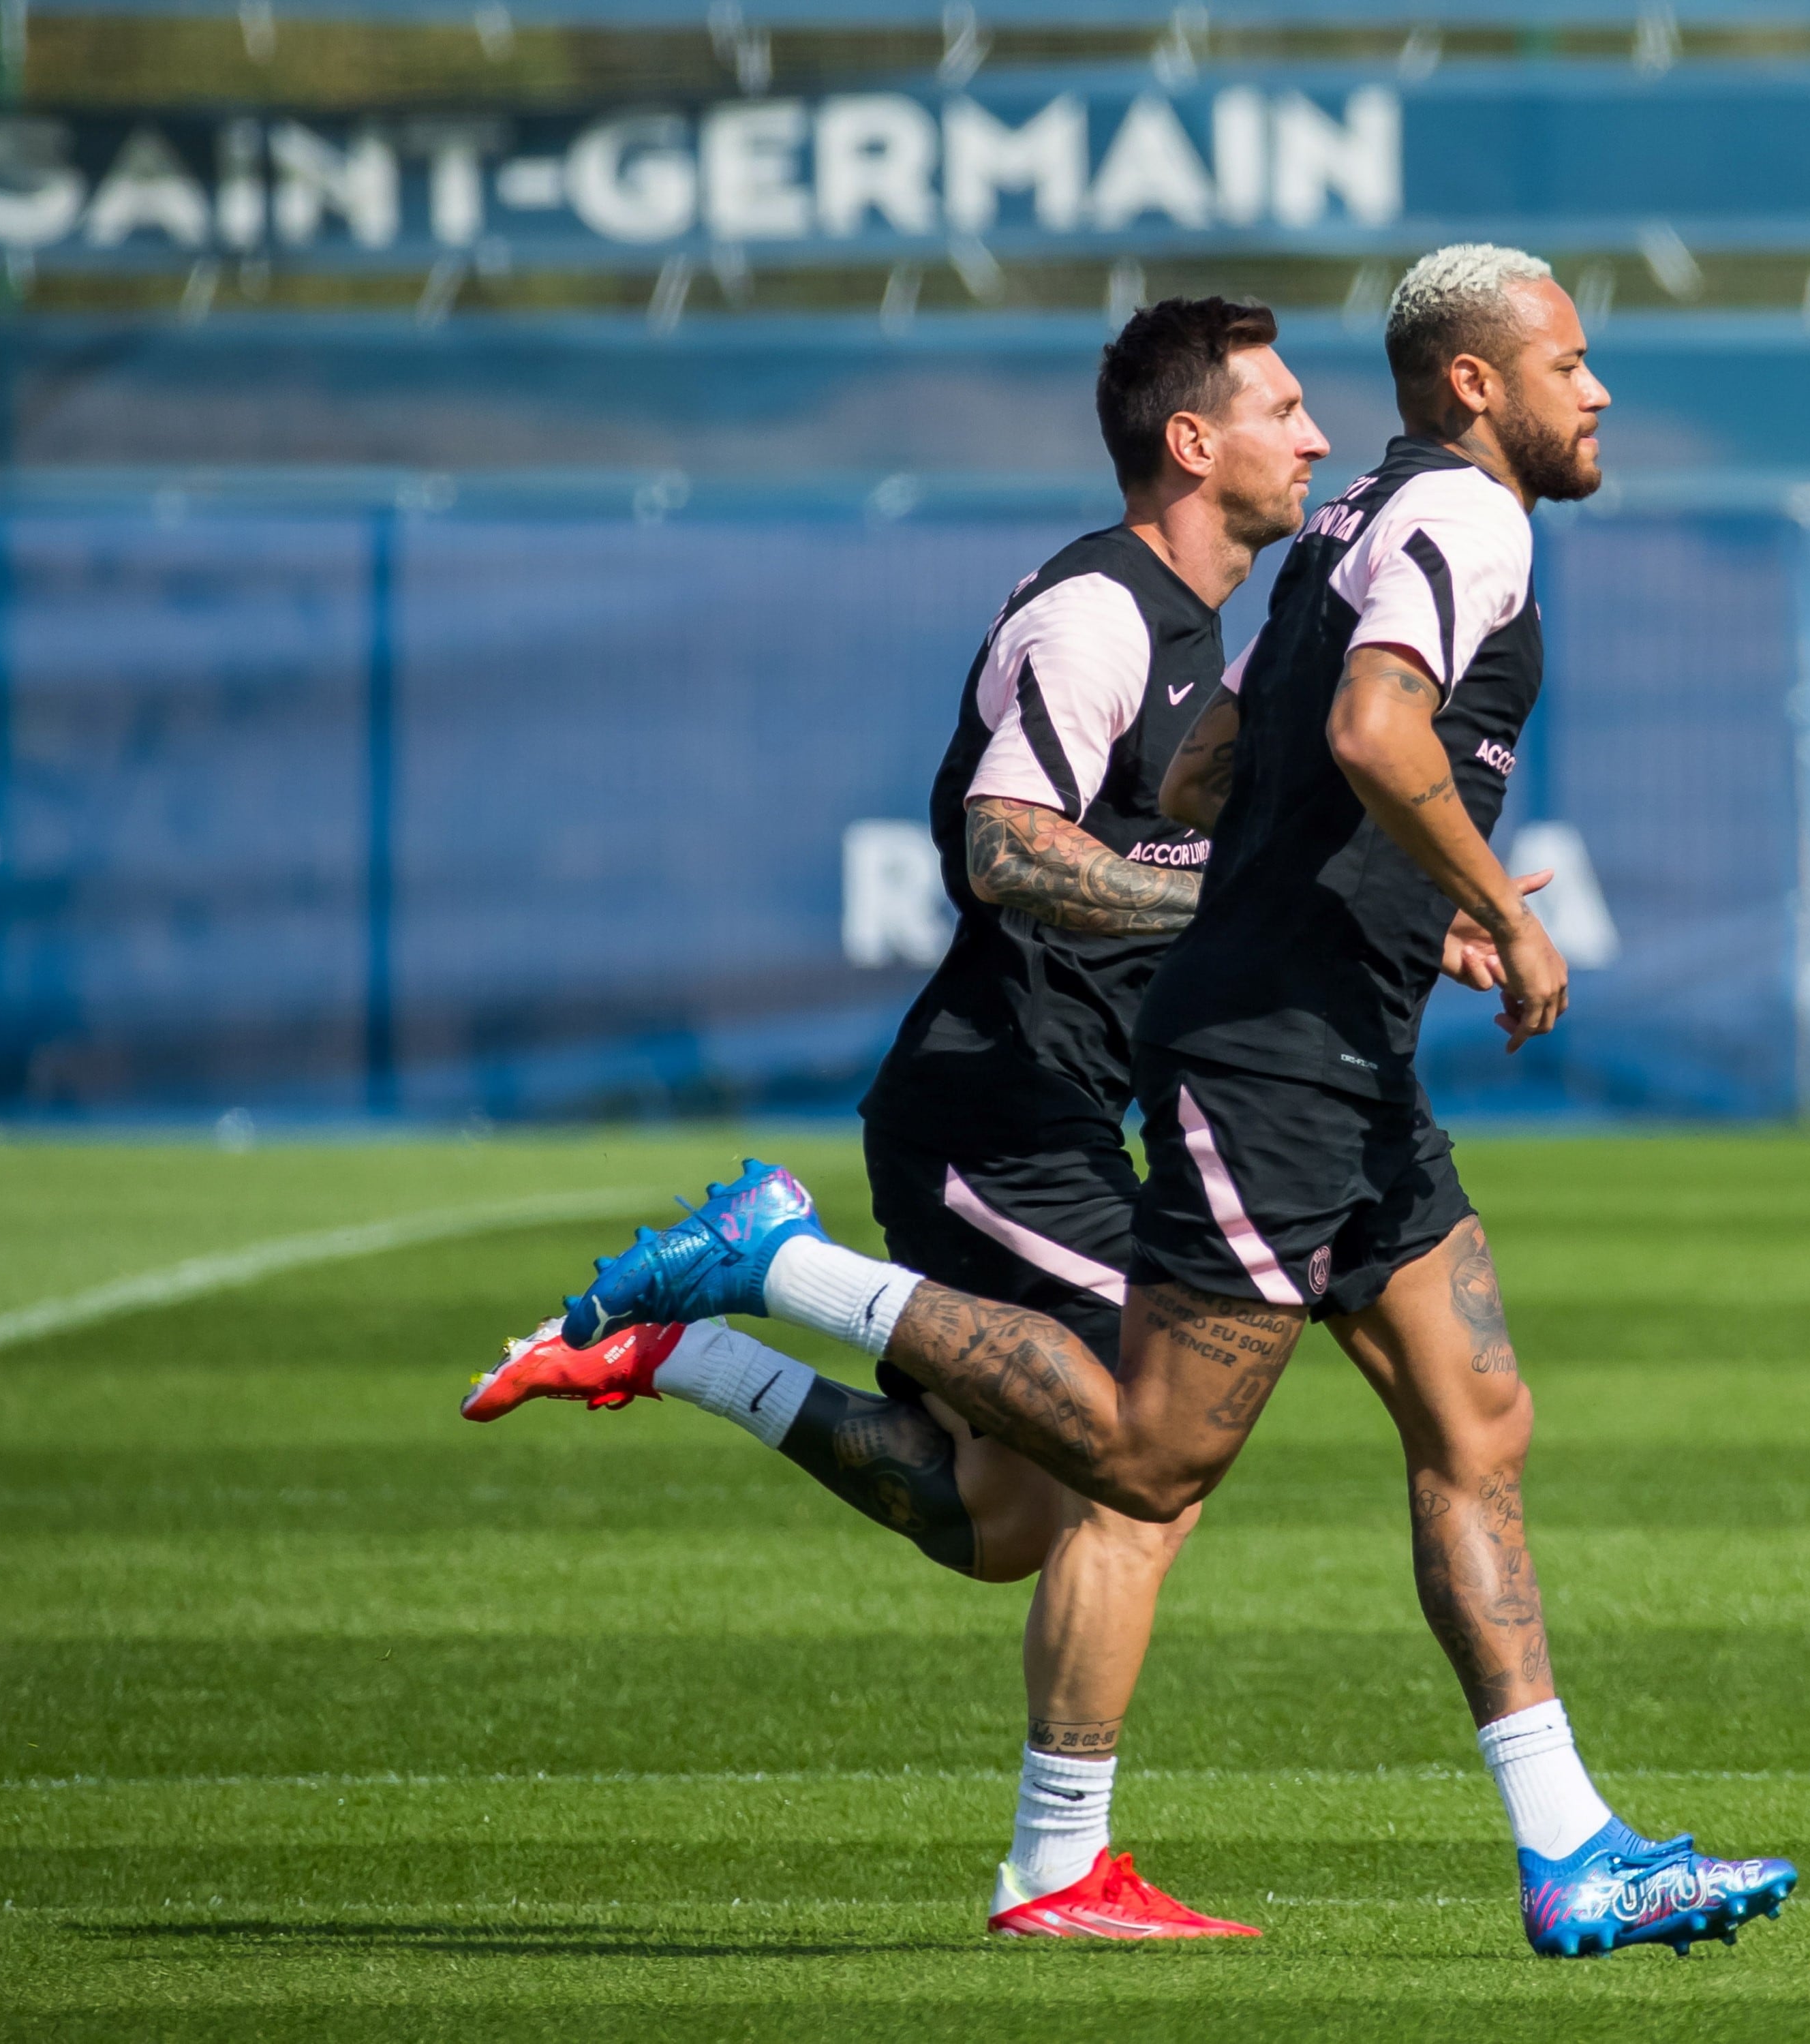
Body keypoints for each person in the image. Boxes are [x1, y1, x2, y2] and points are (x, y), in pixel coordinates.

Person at [551, 247, 1797, 1959]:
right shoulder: (1470, 520)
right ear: (1475, 386)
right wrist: (1499, 909)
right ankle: (779, 1268)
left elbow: (1232, 758)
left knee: (1477, 1426)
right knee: (1144, 1461)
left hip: (1342, 1053)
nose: (1600, 395)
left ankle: (1569, 1848)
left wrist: (1363, 900)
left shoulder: (1358, 517)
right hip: (1267, 1061)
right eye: (1572, 364)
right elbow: (1368, 728)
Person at [463, 297, 1330, 1939]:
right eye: (1283, 406)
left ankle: (691, 1345)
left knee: (1005, 1525)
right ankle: (1056, 1865)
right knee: (1160, 1445)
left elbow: (1195, 856)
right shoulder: (1097, 616)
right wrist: (1233, 903)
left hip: (1047, 1115)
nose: (1316, 434)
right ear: (1190, 440)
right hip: (991, 1112)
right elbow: (1004, 852)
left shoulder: (1202, 635)